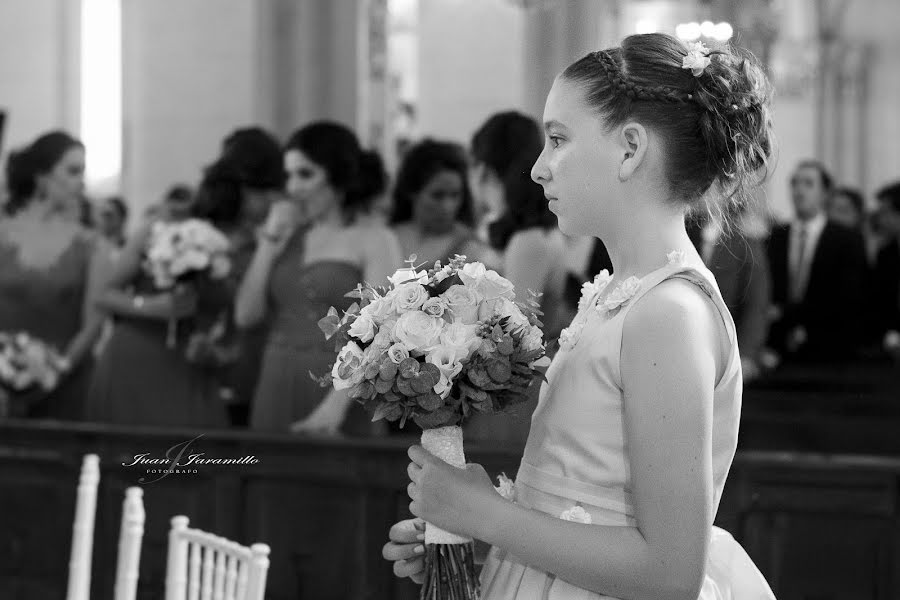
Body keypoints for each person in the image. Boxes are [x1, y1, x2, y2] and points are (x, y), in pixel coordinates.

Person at [384, 33, 776, 599]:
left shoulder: (667, 313)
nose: (539, 169)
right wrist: (469, 535)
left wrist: (486, 515)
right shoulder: (620, 295)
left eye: (558, 139)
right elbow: (579, 504)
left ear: (630, 148)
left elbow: (670, 574)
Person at [236, 121, 402, 434]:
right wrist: (267, 244)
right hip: (276, 378)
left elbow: (383, 328)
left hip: (341, 389)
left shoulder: (374, 238)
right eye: (289, 175)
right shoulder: (286, 235)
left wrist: (334, 408)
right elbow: (246, 316)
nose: (293, 187)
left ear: (338, 176)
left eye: (305, 174)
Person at [0, 131, 109, 419]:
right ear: (42, 177)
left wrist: (53, 373)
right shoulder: (3, 233)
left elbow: (93, 325)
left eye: (83, 172)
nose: (81, 181)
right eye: (73, 171)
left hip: (66, 381)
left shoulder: (90, 244)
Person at [190, 126, 286, 426]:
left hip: (256, 366)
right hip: (202, 369)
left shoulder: (270, 238)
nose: (272, 201)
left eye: (276, 190)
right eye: (262, 191)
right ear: (238, 187)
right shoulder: (199, 238)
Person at [766, 161, 868, 361]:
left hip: (830, 349)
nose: (799, 190)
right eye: (794, 183)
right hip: (779, 349)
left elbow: (846, 298)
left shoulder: (847, 239)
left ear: (825, 193)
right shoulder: (776, 237)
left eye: (808, 184)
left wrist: (791, 316)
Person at [390, 139, 500, 269]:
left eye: (455, 195)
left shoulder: (472, 250)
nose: (448, 206)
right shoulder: (387, 237)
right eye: (437, 195)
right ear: (412, 192)